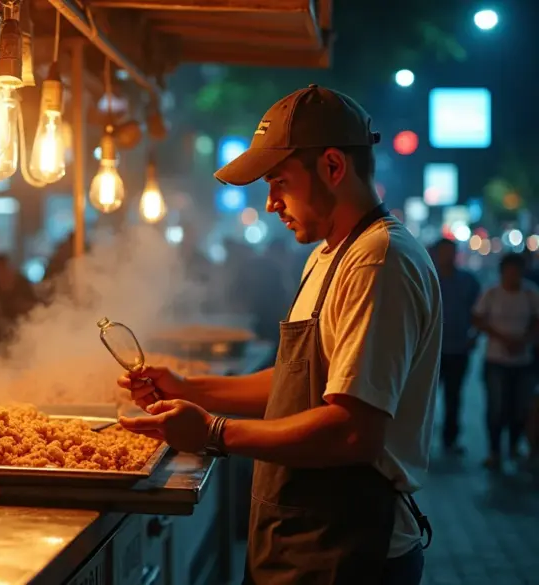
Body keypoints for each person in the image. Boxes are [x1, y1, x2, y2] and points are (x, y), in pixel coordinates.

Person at [118, 85, 438, 585]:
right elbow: (297, 382)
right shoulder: (328, 256)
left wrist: (213, 432)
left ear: (333, 166)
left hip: (350, 550)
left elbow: (353, 430)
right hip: (300, 539)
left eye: (280, 182)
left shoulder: (378, 262)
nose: (270, 204)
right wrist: (189, 388)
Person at [471, 252, 539, 469]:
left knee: (520, 407)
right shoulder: (492, 293)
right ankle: (494, 450)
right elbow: (478, 318)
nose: (513, 275)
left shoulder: (530, 294)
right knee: (496, 407)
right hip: (496, 359)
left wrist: (524, 340)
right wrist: (502, 338)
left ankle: (514, 446)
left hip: (523, 361)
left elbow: (537, 321)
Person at [432, 238, 480, 455]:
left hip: (459, 348)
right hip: (431, 350)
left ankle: (450, 439)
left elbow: (479, 311)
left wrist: (474, 335)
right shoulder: (428, 277)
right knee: (424, 397)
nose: (447, 256)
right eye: (443, 252)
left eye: (450, 252)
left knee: (454, 396)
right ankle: (419, 440)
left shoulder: (468, 281)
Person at [0, 253, 38, 351]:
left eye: (1, 268)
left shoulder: (22, 284)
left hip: (21, 331)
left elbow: (34, 305)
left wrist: (22, 306)